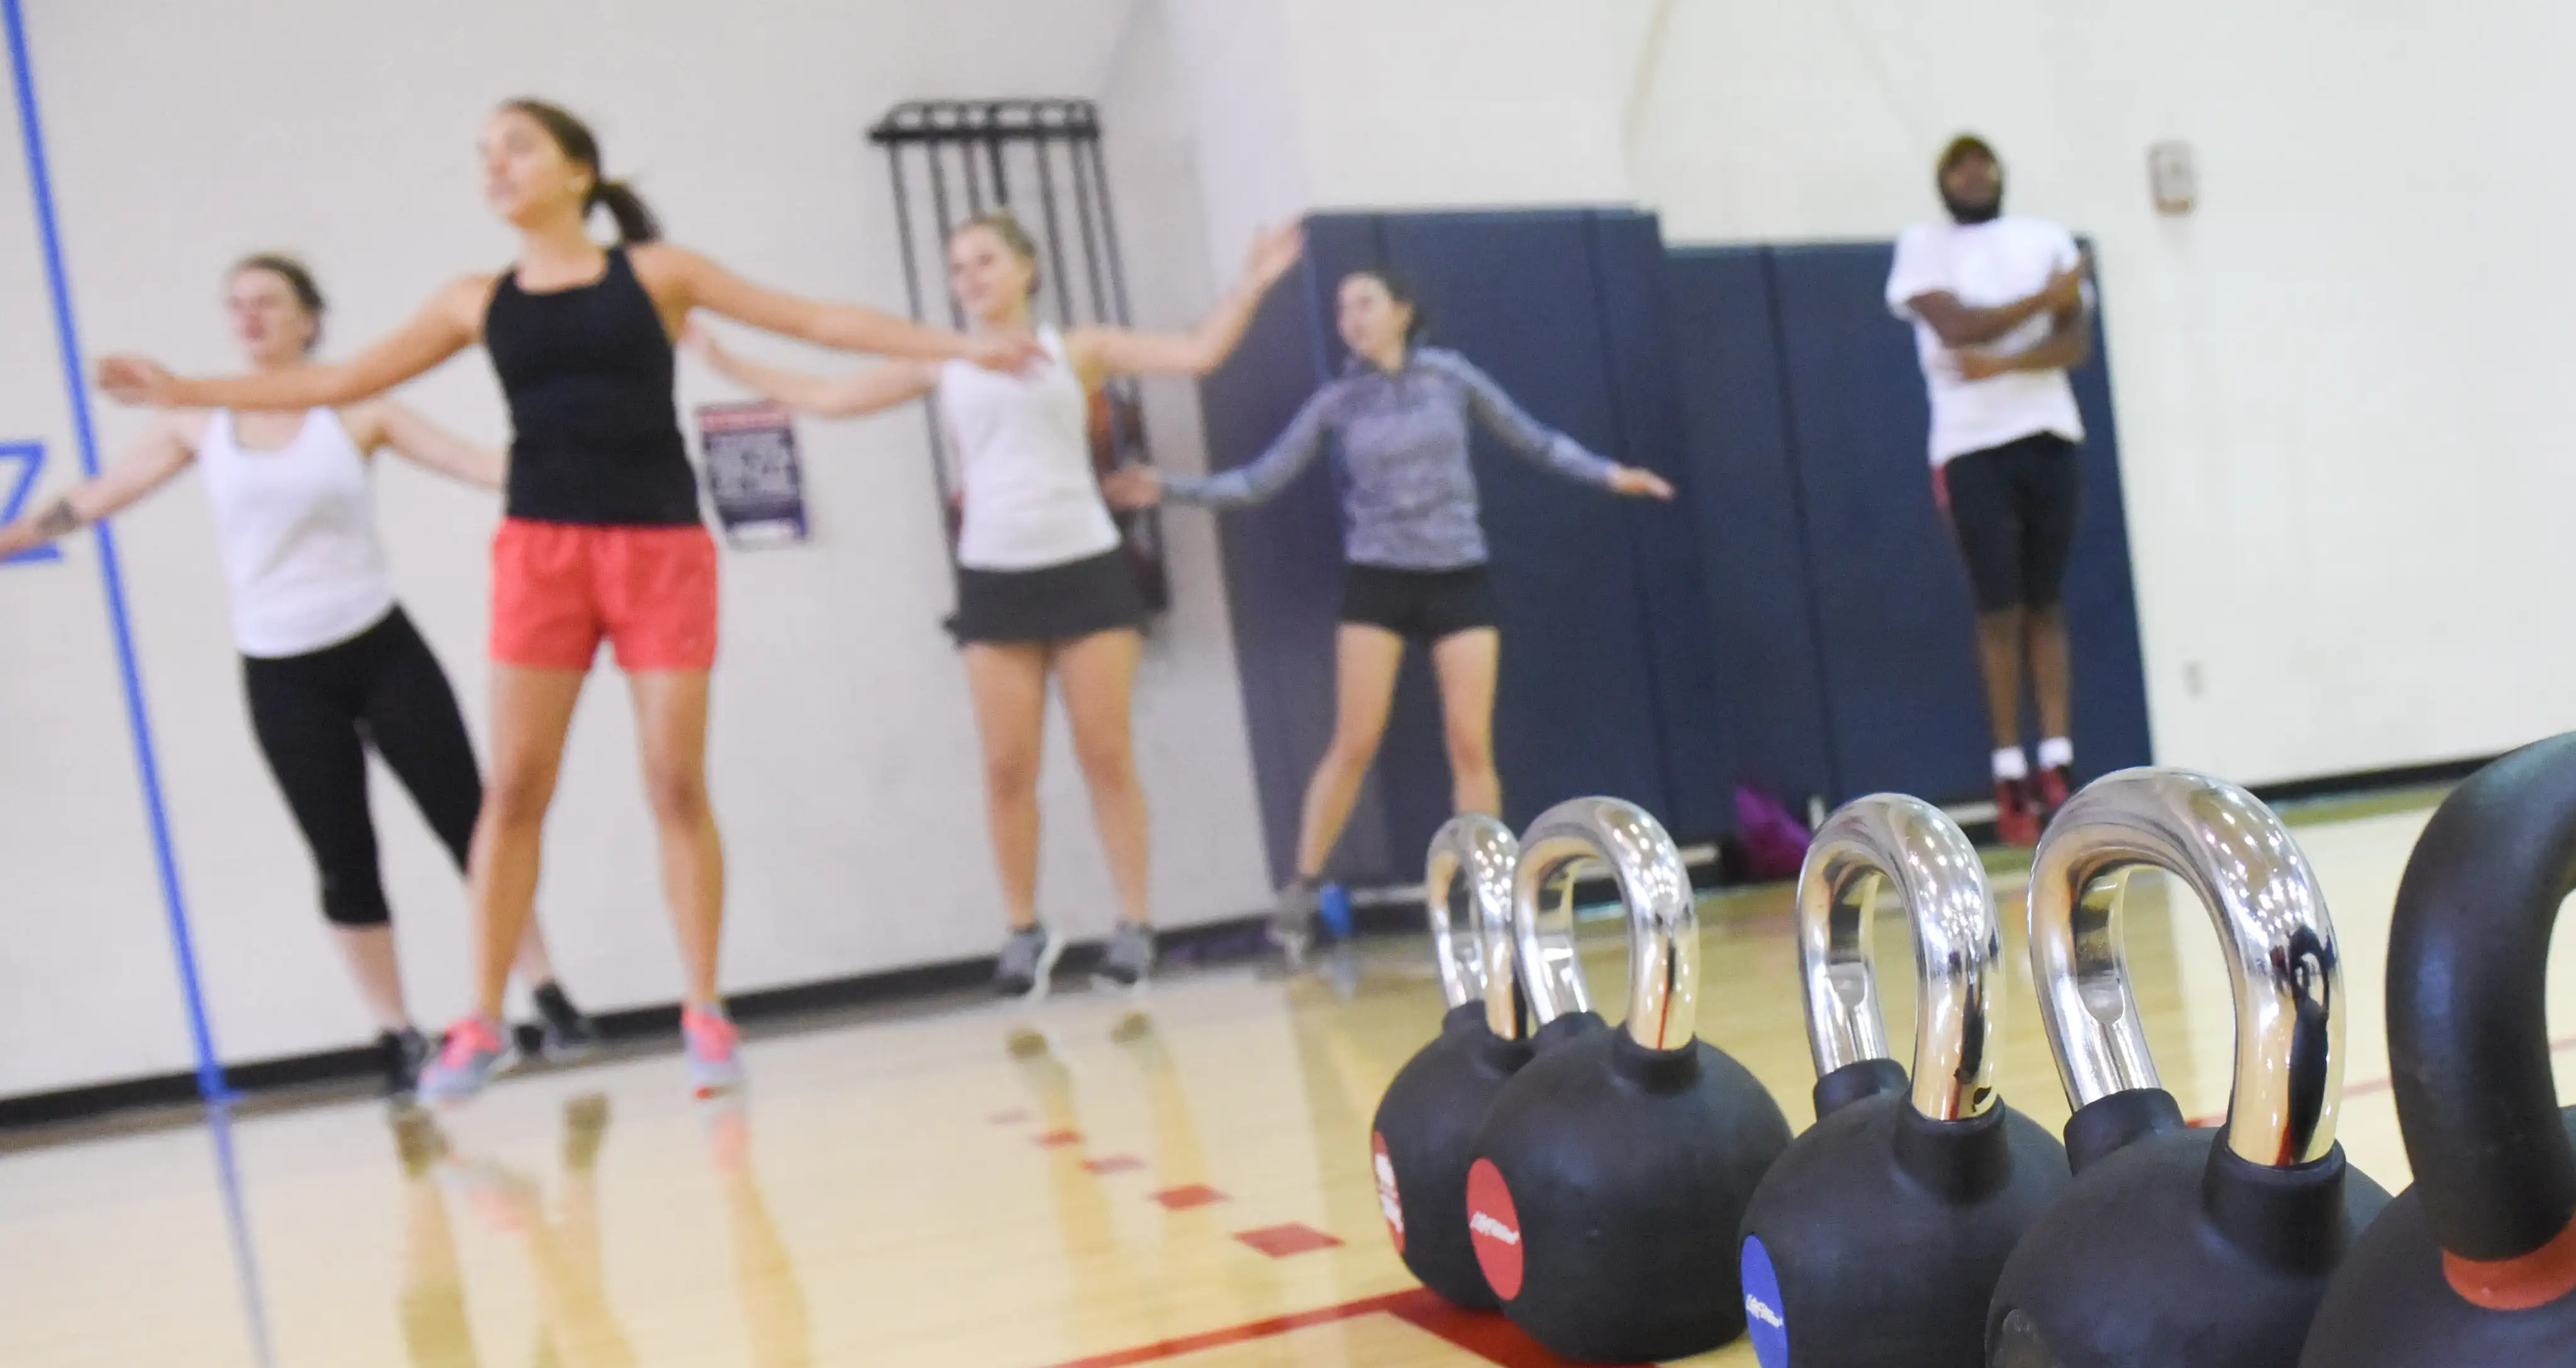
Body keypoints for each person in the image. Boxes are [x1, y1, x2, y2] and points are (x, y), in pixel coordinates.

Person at [101, 99, 1039, 1107]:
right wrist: (186, 388)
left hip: (661, 551)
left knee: (675, 781)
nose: (496, 166)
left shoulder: (660, 273)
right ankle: (482, 1018)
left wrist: (956, 347)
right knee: (511, 788)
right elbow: (346, 375)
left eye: (518, 147)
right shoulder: (475, 298)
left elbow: (814, 320)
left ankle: (704, 1006)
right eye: (485, 155)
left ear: (578, 171)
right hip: (541, 555)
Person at [4, 255, 597, 1095]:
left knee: (474, 821)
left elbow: (479, 466)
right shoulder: (199, 421)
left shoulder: (360, 406)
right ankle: (397, 1034)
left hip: (382, 649)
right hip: (283, 671)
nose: (248, 318)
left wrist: (593, 465)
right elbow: (93, 499)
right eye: (235, 304)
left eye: (267, 303)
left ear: (308, 319)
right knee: (342, 856)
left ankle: (548, 995)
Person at [689, 216, 1305, 998]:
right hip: (994, 574)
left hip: (1085, 565)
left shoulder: (1076, 349)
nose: (971, 276)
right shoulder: (940, 364)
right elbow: (830, 396)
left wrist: (1251, 280)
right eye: (958, 266)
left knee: (1106, 756)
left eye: (985, 260)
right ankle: (1023, 928)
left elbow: (1197, 353)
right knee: (1008, 766)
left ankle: (1135, 923)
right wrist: (726, 358)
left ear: (1025, 268)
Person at [1102, 268, 1674, 954]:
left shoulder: (1451, 378)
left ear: (1401, 311)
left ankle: (1489, 900)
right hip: (1378, 579)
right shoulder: (1339, 401)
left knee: (1469, 741)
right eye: (1343, 308)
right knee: (1355, 739)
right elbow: (1259, 479)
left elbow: (1536, 439)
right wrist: (1167, 489)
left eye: (1365, 303)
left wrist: (1612, 474)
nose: (1352, 317)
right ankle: (1300, 892)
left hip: (1457, 573)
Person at [1888, 133, 2091, 846]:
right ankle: (2008, 771)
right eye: (1959, 165)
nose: (1975, 175)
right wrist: (2042, 301)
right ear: (1944, 179)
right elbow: (1954, 325)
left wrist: (1997, 361)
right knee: (1997, 607)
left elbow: (2073, 344)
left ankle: (2057, 763)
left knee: (2046, 601)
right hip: (1970, 446)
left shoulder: (2044, 236)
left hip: (2048, 431)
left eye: (1985, 163)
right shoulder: (1923, 245)